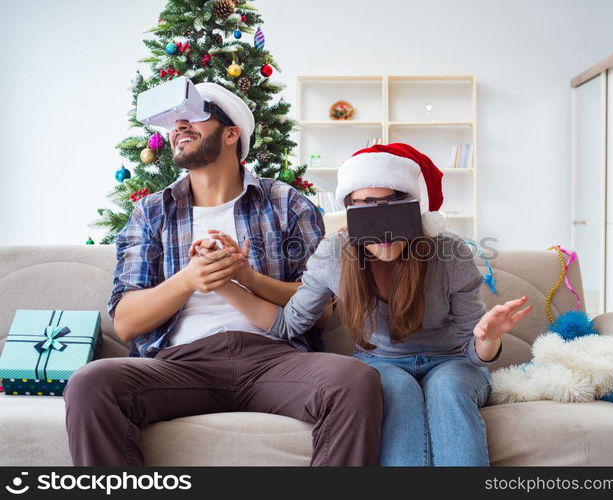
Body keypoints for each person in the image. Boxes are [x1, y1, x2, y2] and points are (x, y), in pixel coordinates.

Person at [63, 82, 383, 466]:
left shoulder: (286, 203)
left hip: (275, 360)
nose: (179, 125)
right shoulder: (151, 212)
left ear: (232, 134)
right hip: (178, 364)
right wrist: (189, 280)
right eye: (174, 121)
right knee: (89, 383)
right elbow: (127, 323)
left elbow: (323, 311)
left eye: (196, 116)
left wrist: (247, 278)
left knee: (354, 380)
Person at [193, 143, 533, 466]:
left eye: (391, 207)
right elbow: (289, 325)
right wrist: (230, 282)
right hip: (381, 362)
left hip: (452, 361)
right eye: (364, 208)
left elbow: (472, 351)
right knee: (396, 389)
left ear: (415, 211)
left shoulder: (450, 253)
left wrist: (489, 337)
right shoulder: (333, 255)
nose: (380, 228)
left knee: (448, 387)